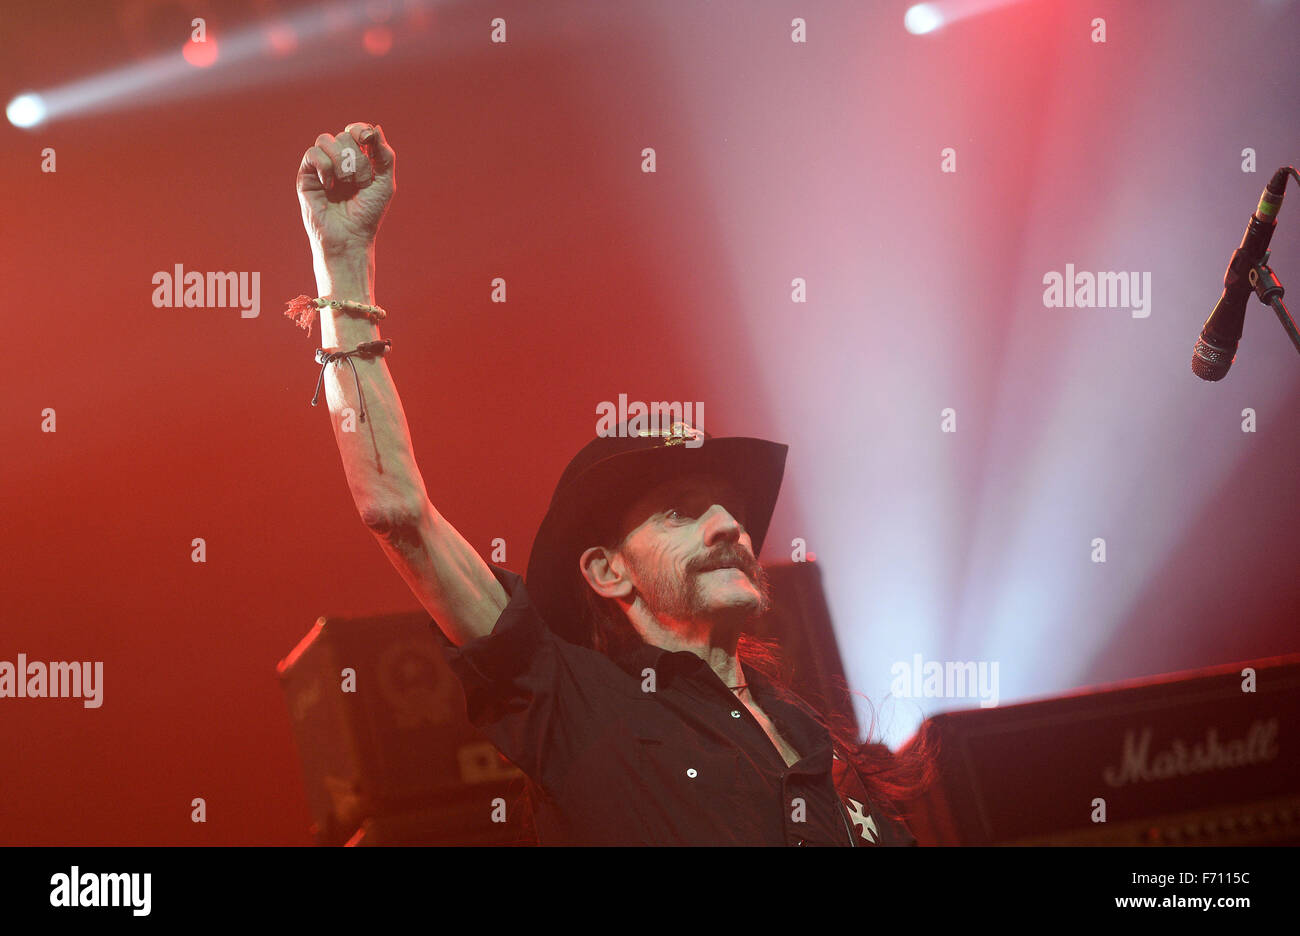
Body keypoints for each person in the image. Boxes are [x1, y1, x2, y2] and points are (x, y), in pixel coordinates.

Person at [292, 122, 935, 845]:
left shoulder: (828, 760)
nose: (728, 525)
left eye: (729, 509)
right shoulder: (574, 705)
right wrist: (343, 265)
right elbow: (399, 515)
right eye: (678, 514)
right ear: (606, 571)